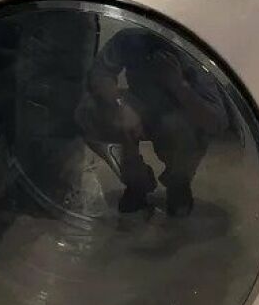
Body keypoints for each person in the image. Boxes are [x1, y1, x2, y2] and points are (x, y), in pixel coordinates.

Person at [77, 27, 229, 216]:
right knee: (90, 111)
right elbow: (100, 72)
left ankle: (178, 184)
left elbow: (217, 122)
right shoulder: (132, 37)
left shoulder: (192, 52)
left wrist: (179, 85)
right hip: (139, 104)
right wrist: (120, 105)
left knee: (179, 126)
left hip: (179, 112)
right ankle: (136, 182)